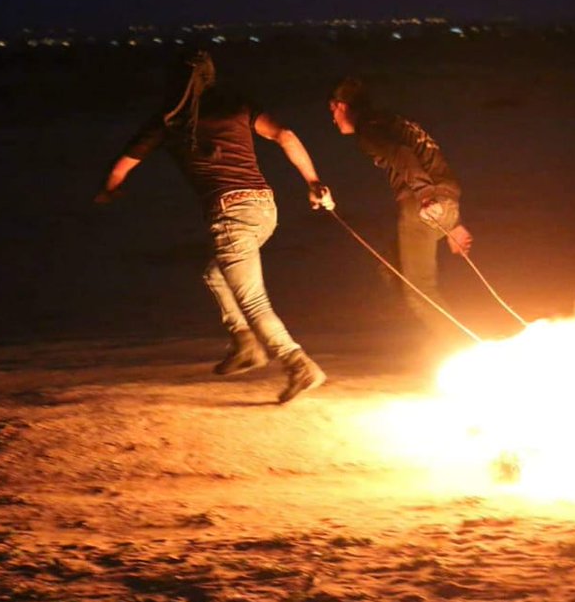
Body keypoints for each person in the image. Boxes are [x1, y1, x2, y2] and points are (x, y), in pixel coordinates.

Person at [96, 48, 332, 404]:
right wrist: (314, 183)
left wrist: (109, 193)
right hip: (264, 207)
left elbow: (120, 168)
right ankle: (245, 344)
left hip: (230, 216)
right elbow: (285, 134)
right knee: (214, 274)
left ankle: (297, 362)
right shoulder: (236, 104)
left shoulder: (168, 121)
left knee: (252, 300)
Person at [327, 77, 473, 335]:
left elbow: (403, 155)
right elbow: (431, 162)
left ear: (341, 106)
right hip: (446, 199)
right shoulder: (392, 121)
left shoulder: (368, 130)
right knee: (391, 266)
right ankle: (430, 329)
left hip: (423, 204)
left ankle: (461, 345)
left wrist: (426, 196)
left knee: (420, 291)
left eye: (332, 110)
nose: (332, 118)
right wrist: (454, 222)